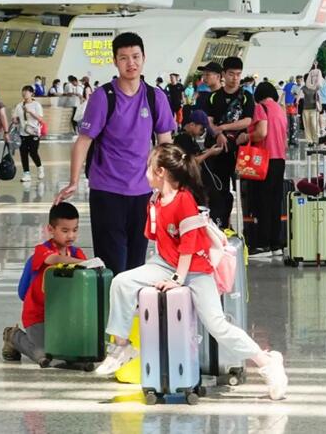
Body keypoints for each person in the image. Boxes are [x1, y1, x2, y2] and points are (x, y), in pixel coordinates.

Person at [94, 143, 288, 401]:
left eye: (149, 167)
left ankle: (267, 363)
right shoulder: (154, 200)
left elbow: (188, 246)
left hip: (195, 268)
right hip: (163, 263)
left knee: (217, 325)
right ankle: (120, 347)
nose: (146, 172)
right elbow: (156, 237)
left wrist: (178, 279)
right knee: (121, 282)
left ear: (161, 172)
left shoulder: (185, 200)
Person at [53, 32, 176, 275]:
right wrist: (74, 180)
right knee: (112, 264)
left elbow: (165, 144)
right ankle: (112, 312)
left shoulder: (155, 97)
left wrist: (168, 186)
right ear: (115, 61)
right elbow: (83, 141)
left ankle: (132, 313)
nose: (131, 63)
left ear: (143, 58)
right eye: (124, 58)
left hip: (143, 193)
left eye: (135, 57)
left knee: (136, 265)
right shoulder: (103, 97)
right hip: (107, 192)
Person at [2, 202, 87, 367]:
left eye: (75, 230)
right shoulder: (43, 250)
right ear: (50, 229)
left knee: (74, 351)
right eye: (65, 231)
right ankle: (13, 336)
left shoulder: (77, 253)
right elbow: (53, 259)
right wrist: (84, 262)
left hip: (63, 317)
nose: (71, 236)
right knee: (43, 355)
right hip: (37, 315)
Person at [236, 81, 287, 256]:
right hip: (279, 159)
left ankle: (262, 244)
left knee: (261, 201)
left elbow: (261, 133)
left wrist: (245, 136)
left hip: (263, 160)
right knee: (275, 202)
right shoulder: (280, 109)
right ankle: (276, 243)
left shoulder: (260, 107)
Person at [204, 56, 255, 229]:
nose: (235, 78)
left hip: (240, 152)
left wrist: (223, 127)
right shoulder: (213, 98)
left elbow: (247, 121)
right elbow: (209, 121)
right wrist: (217, 133)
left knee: (244, 190)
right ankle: (222, 225)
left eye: (238, 74)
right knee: (220, 191)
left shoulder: (246, 97)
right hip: (218, 151)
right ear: (223, 74)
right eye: (231, 74)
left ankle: (247, 228)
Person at [13, 85, 46, 183]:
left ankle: (40, 168)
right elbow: (15, 119)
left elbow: (40, 119)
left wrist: (30, 112)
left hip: (34, 133)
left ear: (31, 93)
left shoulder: (36, 105)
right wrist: (15, 119)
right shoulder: (19, 106)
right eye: (23, 91)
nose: (24, 93)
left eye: (26, 91)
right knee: (23, 153)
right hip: (22, 133)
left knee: (33, 152)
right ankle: (26, 173)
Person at [301, 73, 320, 145]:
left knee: (314, 124)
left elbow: (318, 98)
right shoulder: (303, 88)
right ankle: (310, 141)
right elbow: (298, 96)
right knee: (307, 125)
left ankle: (316, 139)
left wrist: (319, 106)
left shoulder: (315, 87)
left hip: (314, 109)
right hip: (305, 109)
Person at [283, 76, 299, 147]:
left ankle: (289, 140)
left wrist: (281, 102)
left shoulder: (286, 85)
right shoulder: (295, 86)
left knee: (288, 122)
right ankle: (293, 139)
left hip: (287, 105)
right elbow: (296, 96)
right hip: (292, 105)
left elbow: (283, 94)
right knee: (293, 123)